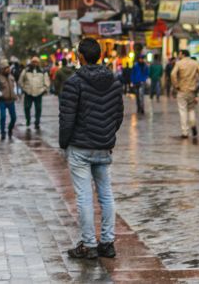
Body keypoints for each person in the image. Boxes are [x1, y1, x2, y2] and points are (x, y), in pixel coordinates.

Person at [59, 38, 124, 260]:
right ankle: (107, 242)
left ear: (81, 57)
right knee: (106, 195)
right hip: (103, 146)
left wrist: (63, 142)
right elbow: (118, 115)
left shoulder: (73, 83)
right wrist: (107, 134)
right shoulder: (114, 82)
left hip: (80, 146)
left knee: (85, 196)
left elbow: (67, 119)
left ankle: (89, 244)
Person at [171, 50, 199, 138]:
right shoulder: (195, 63)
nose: (179, 56)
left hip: (182, 90)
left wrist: (176, 85)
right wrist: (197, 83)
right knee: (191, 109)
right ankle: (193, 125)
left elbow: (173, 74)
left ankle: (185, 132)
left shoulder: (179, 63)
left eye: (180, 54)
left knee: (182, 110)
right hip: (192, 90)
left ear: (183, 54)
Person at [20, 56, 50, 129]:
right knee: (27, 107)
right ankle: (28, 120)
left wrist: (44, 89)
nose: (35, 63)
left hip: (38, 93)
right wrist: (24, 88)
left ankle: (37, 122)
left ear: (38, 63)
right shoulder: (26, 70)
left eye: (36, 62)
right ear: (31, 62)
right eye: (33, 62)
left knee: (38, 108)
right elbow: (21, 80)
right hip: (28, 92)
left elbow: (47, 82)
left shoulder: (42, 71)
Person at [0, 60, 18, 140]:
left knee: (14, 117)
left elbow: (15, 86)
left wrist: (15, 93)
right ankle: (3, 132)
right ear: (2, 69)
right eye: (6, 68)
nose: (8, 69)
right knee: (3, 117)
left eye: (8, 68)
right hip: (2, 101)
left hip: (11, 101)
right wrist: (1, 94)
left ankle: (10, 129)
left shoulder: (11, 77)